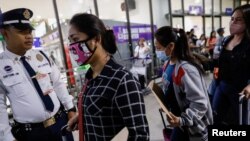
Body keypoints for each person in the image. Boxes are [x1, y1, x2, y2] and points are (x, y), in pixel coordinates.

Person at [66, 13, 149, 141]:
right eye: (70, 41)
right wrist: (83, 117)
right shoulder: (90, 76)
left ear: (96, 39)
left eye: (76, 39)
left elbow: (140, 135)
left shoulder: (123, 80)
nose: (72, 46)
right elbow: (102, 110)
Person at [0, 8, 76, 141]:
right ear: (5, 33)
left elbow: (58, 83)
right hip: (31, 134)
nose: (29, 36)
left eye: (29, 31)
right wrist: (6, 136)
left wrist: (70, 108)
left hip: (60, 122)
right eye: (21, 32)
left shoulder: (41, 56)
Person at [154, 26, 213, 141]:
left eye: (158, 48)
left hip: (189, 126)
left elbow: (200, 104)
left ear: (171, 46)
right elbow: (171, 90)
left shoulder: (186, 70)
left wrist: (182, 120)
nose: (157, 52)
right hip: (179, 123)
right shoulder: (167, 64)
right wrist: (167, 106)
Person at [212, 4, 250, 125]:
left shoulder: (249, 44)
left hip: (240, 92)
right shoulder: (226, 40)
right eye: (232, 19)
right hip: (221, 86)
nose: (233, 23)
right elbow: (218, 63)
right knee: (215, 119)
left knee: (240, 122)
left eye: (238, 20)